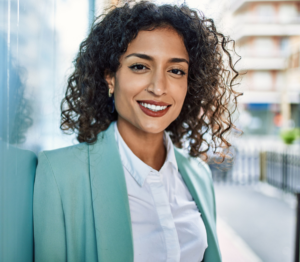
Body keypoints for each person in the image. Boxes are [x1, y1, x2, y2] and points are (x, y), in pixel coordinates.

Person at [33, 1, 241, 261]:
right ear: (110, 76)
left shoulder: (198, 175)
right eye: (140, 66)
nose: (158, 87)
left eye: (176, 71)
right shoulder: (60, 174)